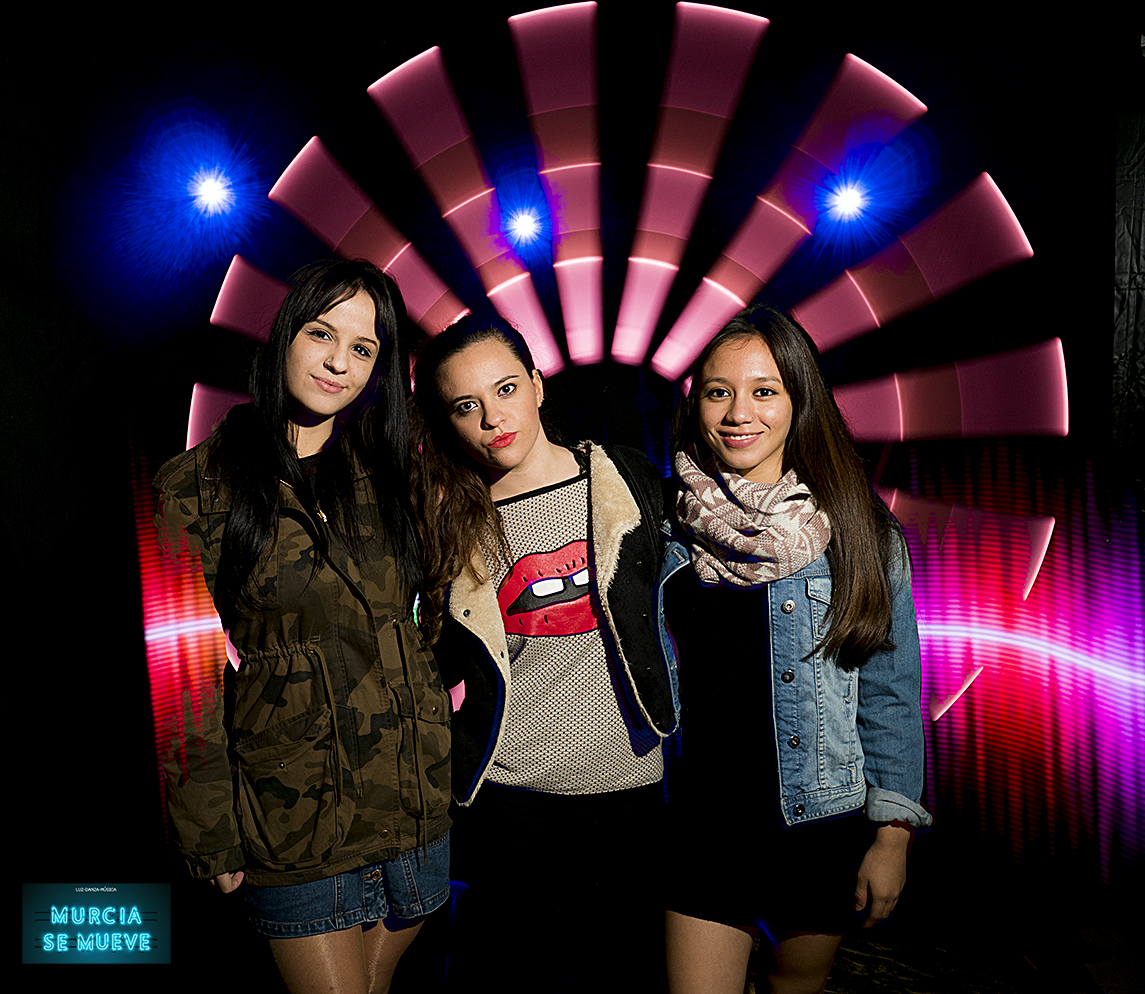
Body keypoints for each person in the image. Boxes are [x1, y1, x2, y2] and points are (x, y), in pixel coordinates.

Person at [154, 259, 450, 994]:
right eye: (322, 334)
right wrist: (208, 830)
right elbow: (180, 677)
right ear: (286, 333)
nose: (337, 362)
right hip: (293, 814)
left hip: (412, 800)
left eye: (362, 348)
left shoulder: (395, 472)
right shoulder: (193, 488)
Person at [662, 304, 932, 994]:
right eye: (718, 391)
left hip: (819, 824)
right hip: (702, 826)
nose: (738, 413)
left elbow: (890, 693)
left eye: (764, 390)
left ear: (798, 400)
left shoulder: (862, 533)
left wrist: (892, 838)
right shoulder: (662, 526)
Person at [410, 315, 679, 991]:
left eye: (505, 389)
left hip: (632, 794)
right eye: (466, 405)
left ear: (536, 385)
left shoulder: (626, 480)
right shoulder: (449, 524)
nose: (491, 418)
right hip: (510, 805)